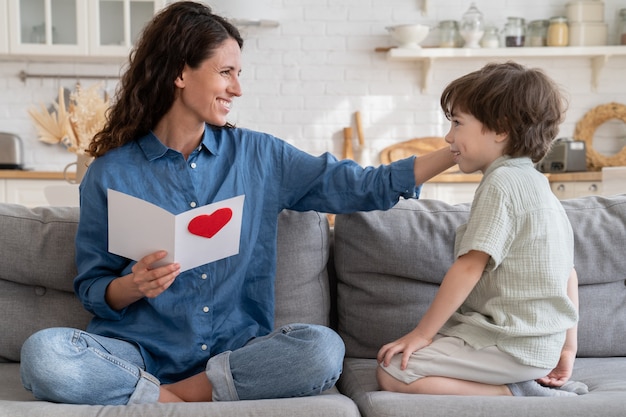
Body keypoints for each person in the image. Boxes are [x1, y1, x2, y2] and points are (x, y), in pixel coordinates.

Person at [19, 1, 455, 406]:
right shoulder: (110, 173)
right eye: (226, 72)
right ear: (180, 73)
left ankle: (168, 397)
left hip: (235, 354)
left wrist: (451, 151)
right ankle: (185, 397)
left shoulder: (262, 157)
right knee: (45, 353)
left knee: (324, 349)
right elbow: (94, 287)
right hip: (136, 352)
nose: (238, 88)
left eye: (238, 73)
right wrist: (132, 285)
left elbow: (360, 186)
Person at [376, 62, 588, 397]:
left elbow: (469, 266)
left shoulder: (501, 183)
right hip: (540, 347)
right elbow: (569, 274)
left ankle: (519, 394)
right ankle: (518, 382)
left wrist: (422, 334)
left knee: (393, 372)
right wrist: (566, 350)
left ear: (500, 129)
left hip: (510, 345)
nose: (448, 137)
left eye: (457, 123)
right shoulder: (537, 184)